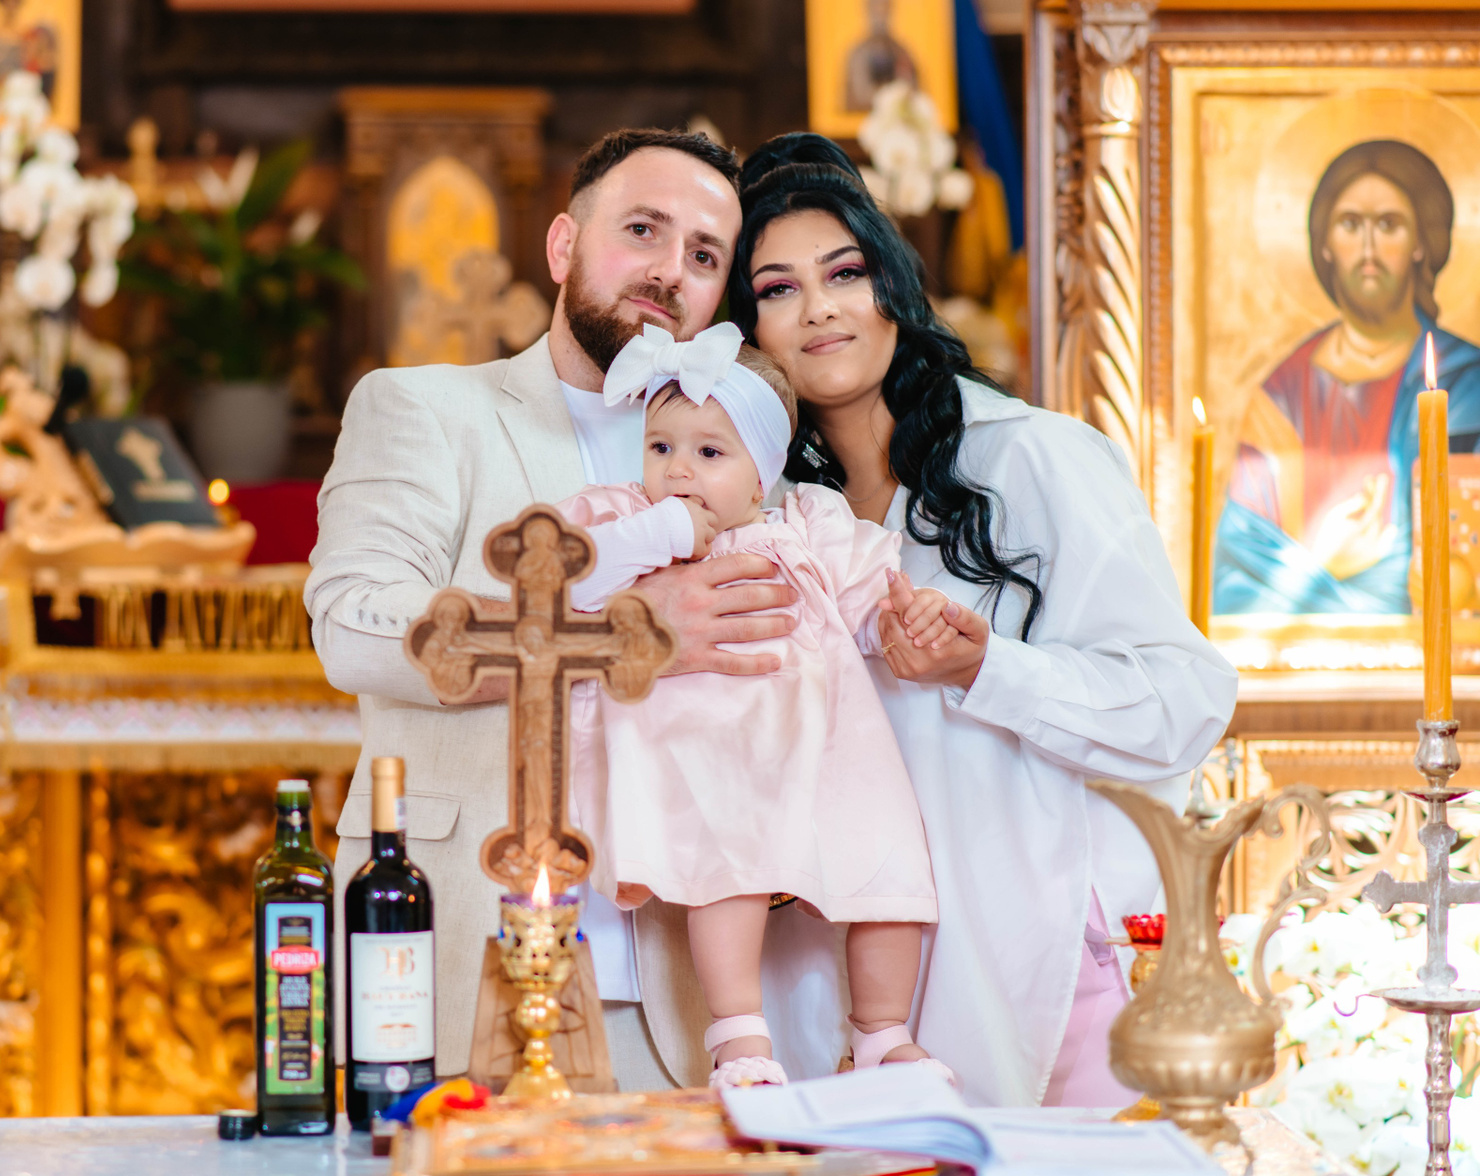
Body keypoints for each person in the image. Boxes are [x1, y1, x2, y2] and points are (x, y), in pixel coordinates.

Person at [733, 133, 1238, 1107]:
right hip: (835, 997)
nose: (821, 307)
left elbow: (1184, 700)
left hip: (1042, 975)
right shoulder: (767, 515)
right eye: (779, 288)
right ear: (748, 330)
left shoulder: (1034, 458)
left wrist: (984, 667)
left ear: (893, 285)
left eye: (845, 272)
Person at [306, 127, 798, 1092]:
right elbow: (353, 628)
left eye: (705, 256)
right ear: (565, 245)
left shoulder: (743, 462)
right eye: (643, 230)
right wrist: (628, 637)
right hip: (458, 952)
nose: (671, 270)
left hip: (681, 995)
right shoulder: (424, 409)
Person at [555, 322, 955, 1089]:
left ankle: (881, 1033)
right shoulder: (628, 521)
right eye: (661, 447)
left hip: (830, 743)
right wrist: (661, 530)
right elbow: (569, 581)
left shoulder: (805, 524)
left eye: (710, 453)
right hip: (711, 753)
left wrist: (898, 620)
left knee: (888, 869)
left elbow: (866, 602)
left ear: (762, 473)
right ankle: (739, 1038)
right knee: (726, 877)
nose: (678, 469)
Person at [1215, 139, 1480, 616]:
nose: (1368, 248)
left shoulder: (1465, 383)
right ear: (1325, 244)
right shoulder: (1281, 397)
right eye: (1351, 225)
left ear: (1420, 243)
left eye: (1388, 225)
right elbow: (1236, 577)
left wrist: (1459, 576)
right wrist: (1323, 561)